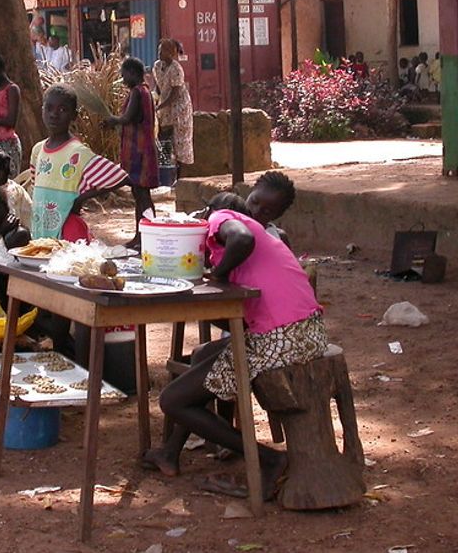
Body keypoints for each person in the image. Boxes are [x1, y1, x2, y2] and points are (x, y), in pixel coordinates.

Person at [141, 200, 331, 500]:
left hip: (280, 339)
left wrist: (216, 276)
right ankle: (170, 452)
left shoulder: (222, 217)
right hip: (305, 331)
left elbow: (240, 238)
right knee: (204, 354)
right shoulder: (265, 239)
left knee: (173, 400)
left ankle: (268, 459)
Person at [30, 84, 128, 241]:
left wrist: (80, 198)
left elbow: (120, 177)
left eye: (62, 110)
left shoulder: (78, 153)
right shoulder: (38, 150)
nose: (54, 114)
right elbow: (36, 186)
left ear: (74, 115)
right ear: (42, 110)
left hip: (67, 230)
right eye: (49, 108)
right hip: (40, 228)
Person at [103, 56, 159, 247]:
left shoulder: (137, 92)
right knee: (140, 195)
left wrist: (111, 120)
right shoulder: (146, 91)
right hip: (142, 150)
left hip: (139, 152)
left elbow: (127, 118)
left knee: (142, 195)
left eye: (124, 73)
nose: (122, 77)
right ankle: (142, 235)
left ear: (133, 73)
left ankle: (146, 234)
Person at [154, 38, 194, 178]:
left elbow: (175, 94)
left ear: (171, 53)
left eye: (162, 51)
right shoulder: (157, 66)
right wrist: (155, 99)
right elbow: (159, 87)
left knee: (180, 142)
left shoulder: (177, 69)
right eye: (159, 50)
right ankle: (165, 176)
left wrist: (160, 106)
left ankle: (181, 177)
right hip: (164, 106)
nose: (159, 53)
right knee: (164, 140)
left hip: (179, 108)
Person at [245, 170, 296, 247]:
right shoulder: (226, 226)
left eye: (266, 212)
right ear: (250, 192)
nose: (255, 212)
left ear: (277, 215)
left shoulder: (278, 238)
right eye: (254, 201)